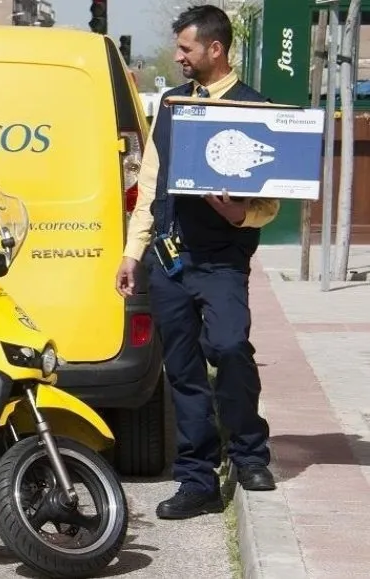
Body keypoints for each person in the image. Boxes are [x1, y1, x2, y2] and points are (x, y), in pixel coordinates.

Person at [115, 5, 280, 520]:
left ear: (215, 49)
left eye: (186, 49)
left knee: (230, 348)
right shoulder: (170, 104)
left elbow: (271, 204)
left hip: (222, 260)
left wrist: (239, 214)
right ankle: (197, 480)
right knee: (183, 371)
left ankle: (250, 454)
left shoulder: (256, 108)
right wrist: (132, 252)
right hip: (169, 259)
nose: (179, 57)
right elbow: (151, 186)